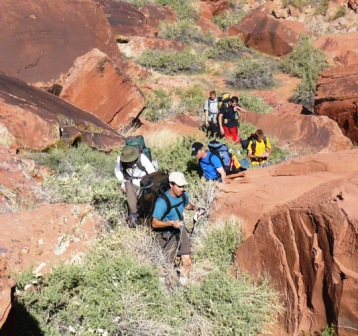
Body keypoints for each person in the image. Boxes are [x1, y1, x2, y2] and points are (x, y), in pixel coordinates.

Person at [152, 172, 197, 285]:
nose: (182, 189)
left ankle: (181, 286)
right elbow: (154, 223)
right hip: (166, 235)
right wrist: (171, 223)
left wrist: (194, 208)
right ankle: (161, 289)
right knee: (166, 266)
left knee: (187, 262)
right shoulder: (161, 202)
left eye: (183, 186)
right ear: (171, 184)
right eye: (179, 186)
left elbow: (186, 204)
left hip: (180, 230)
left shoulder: (183, 195)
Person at [115, 145, 155, 226]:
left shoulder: (142, 158)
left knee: (146, 202)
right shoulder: (120, 159)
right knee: (131, 197)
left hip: (143, 181)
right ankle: (134, 218)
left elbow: (152, 172)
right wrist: (122, 184)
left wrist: (150, 185)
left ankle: (148, 219)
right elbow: (117, 171)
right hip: (129, 181)